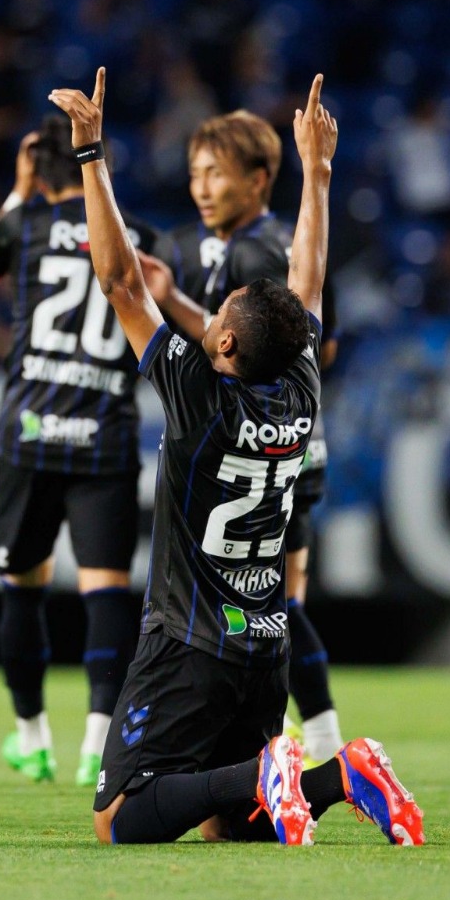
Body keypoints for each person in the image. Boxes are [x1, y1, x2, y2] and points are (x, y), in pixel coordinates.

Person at [52, 67, 423, 847]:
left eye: (216, 311)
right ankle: (337, 774)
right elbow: (308, 282)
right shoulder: (301, 385)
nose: (207, 312)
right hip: (265, 644)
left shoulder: (196, 397)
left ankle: (265, 773)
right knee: (228, 830)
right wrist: (317, 174)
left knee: (119, 822)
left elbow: (118, 278)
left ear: (222, 341)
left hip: (187, 643)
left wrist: (92, 157)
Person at [0, 117, 157, 787]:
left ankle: (31, 735)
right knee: (106, 593)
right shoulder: (143, 240)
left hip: (32, 434)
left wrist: (17, 195)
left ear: (40, 173)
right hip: (105, 435)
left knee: (22, 591)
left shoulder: (27, 225)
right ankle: (97, 743)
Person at [142, 109, 344, 764]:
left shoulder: (266, 249)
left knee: (274, 599)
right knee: (274, 600)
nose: (202, 188)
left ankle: (309, 739)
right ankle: (301, 740)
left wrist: (173, 310)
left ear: (259, 180)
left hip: (272, 447)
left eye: (217, 174)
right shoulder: (222, 247)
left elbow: (308, 342)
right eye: (195, 173)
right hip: (271, 439)